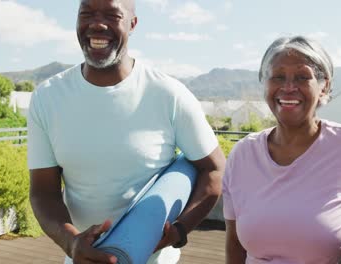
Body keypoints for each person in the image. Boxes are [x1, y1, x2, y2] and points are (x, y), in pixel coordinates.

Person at [27, 0, 225, 263]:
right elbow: (43, 192)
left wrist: (180, 230)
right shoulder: (47, 98)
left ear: (132, 24)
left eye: (112, 14)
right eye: (86, 14)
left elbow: (214, 169)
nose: (97, 24)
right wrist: (71, 242)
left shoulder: (169, 94)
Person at [223, 36, 341, 264]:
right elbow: (234, 244)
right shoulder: (242, 155)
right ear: (265, 84)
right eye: (278, 76)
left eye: (302, 77)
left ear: (324, 87)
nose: (288, 87)